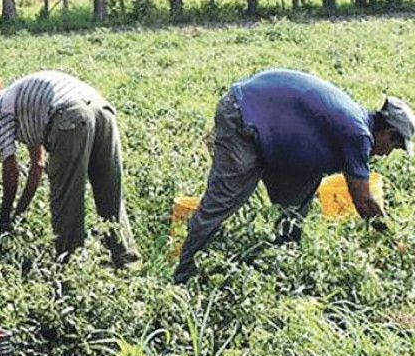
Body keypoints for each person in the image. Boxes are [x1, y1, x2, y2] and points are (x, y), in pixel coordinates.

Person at [174, 68, 414, 284]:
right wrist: (395, 241)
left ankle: (282, 265)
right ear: (389, 133)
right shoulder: (358, 134)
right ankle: (183, 275)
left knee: (299, 197)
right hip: (242, 116)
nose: (387, 154)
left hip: (274, 134)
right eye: (395, 147)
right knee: (224, 200)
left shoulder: (356, 122)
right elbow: (363, 200)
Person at [0, 70, 141, 267]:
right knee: (110, 192)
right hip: (101, 109)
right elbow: (37, 166)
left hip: (69, 114)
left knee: (66, 198)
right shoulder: (23, 104)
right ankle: (127, 263)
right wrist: (18, 215)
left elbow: (10, 172)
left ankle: (71, 267)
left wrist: (3, 220)